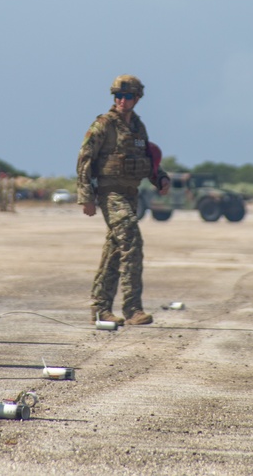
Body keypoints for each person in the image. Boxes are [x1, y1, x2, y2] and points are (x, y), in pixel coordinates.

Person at [77, 75, 170, 326]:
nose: (121, 100)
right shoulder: (104, 124)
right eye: (117, 96)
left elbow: (149, 160)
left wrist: (160, 178)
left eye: (127, 96)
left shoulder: (138, 127)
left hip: (131, 194)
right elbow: (85, 159)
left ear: (137, 98)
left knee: (115, 251)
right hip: (110, 193)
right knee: (132, 239)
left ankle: (100, 309)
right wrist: (86, 196)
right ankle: (132, 309)